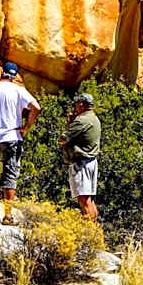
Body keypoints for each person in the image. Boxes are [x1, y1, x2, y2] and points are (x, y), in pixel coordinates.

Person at [0, 61, 40, 225]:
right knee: (10, 173)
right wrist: (26, 128)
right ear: (15, 76)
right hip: (11, 136)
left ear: (1, 73)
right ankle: (8, 215)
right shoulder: (18, 90)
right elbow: (36, 107)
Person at [59, 92, 101, 221]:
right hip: (91, 161)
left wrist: (70, 123)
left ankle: (90, 234)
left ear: (82, 105)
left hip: (81, 164)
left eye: (77, 104)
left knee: (83, 200)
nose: (75, 107)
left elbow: (63, 139)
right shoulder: (93, 118)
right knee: (89, 200)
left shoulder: (81, 120)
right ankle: (95, 232)